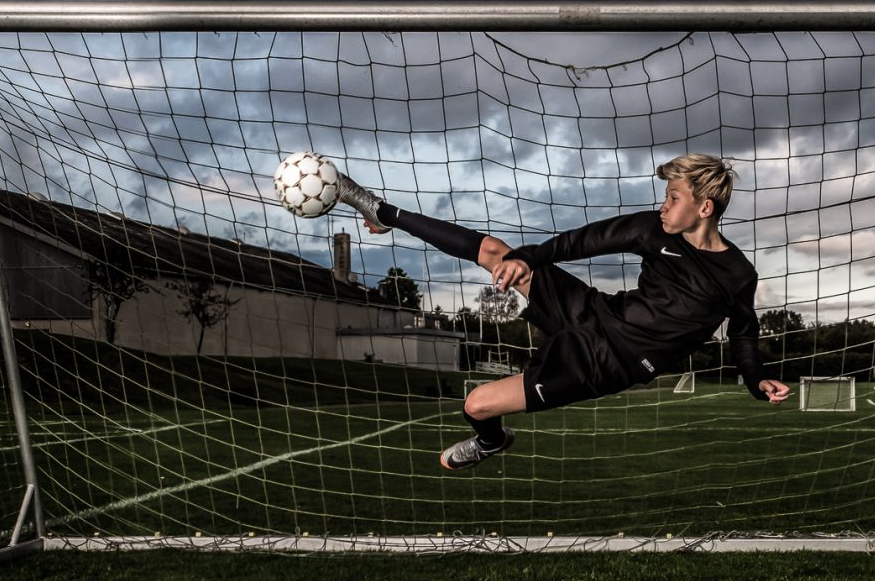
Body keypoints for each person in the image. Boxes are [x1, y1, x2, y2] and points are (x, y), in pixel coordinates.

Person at [335, 153, 791, 471]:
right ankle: (382, 212)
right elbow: (579, 242)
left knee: (475, 405)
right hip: (593, 312)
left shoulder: (736, 274)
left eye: (673, 197)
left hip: (604, 363)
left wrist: (755, 380)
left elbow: (744, 335)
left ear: (704, 207)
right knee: (496, 250)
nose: (663, 204)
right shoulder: (652, 230)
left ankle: (492, 441)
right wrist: (528, 259)